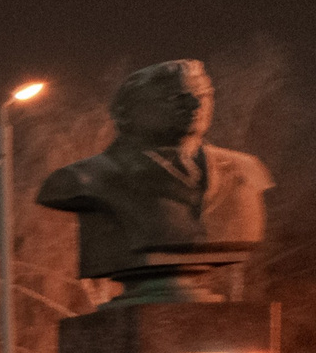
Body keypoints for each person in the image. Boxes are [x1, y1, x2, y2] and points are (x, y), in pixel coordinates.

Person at [36, 59, 273, 303]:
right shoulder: (85, 179)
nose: (195, 105)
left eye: (203, 95)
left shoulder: (245, 170)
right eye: (176, 98)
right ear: (128, 114)